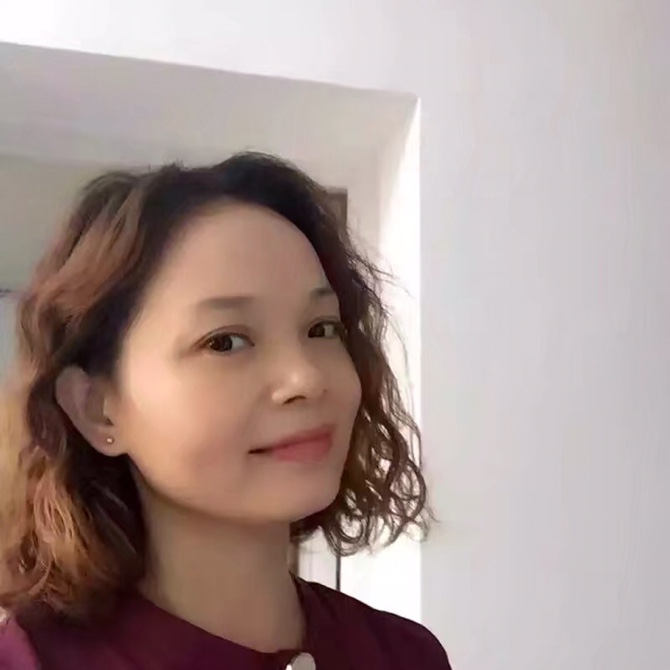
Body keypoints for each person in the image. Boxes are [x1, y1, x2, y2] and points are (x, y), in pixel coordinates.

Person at [0, 153, 451, 669]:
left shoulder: (405, 655)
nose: (305, 377)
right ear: (97, 409)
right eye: (226, 341)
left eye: (322, 329)